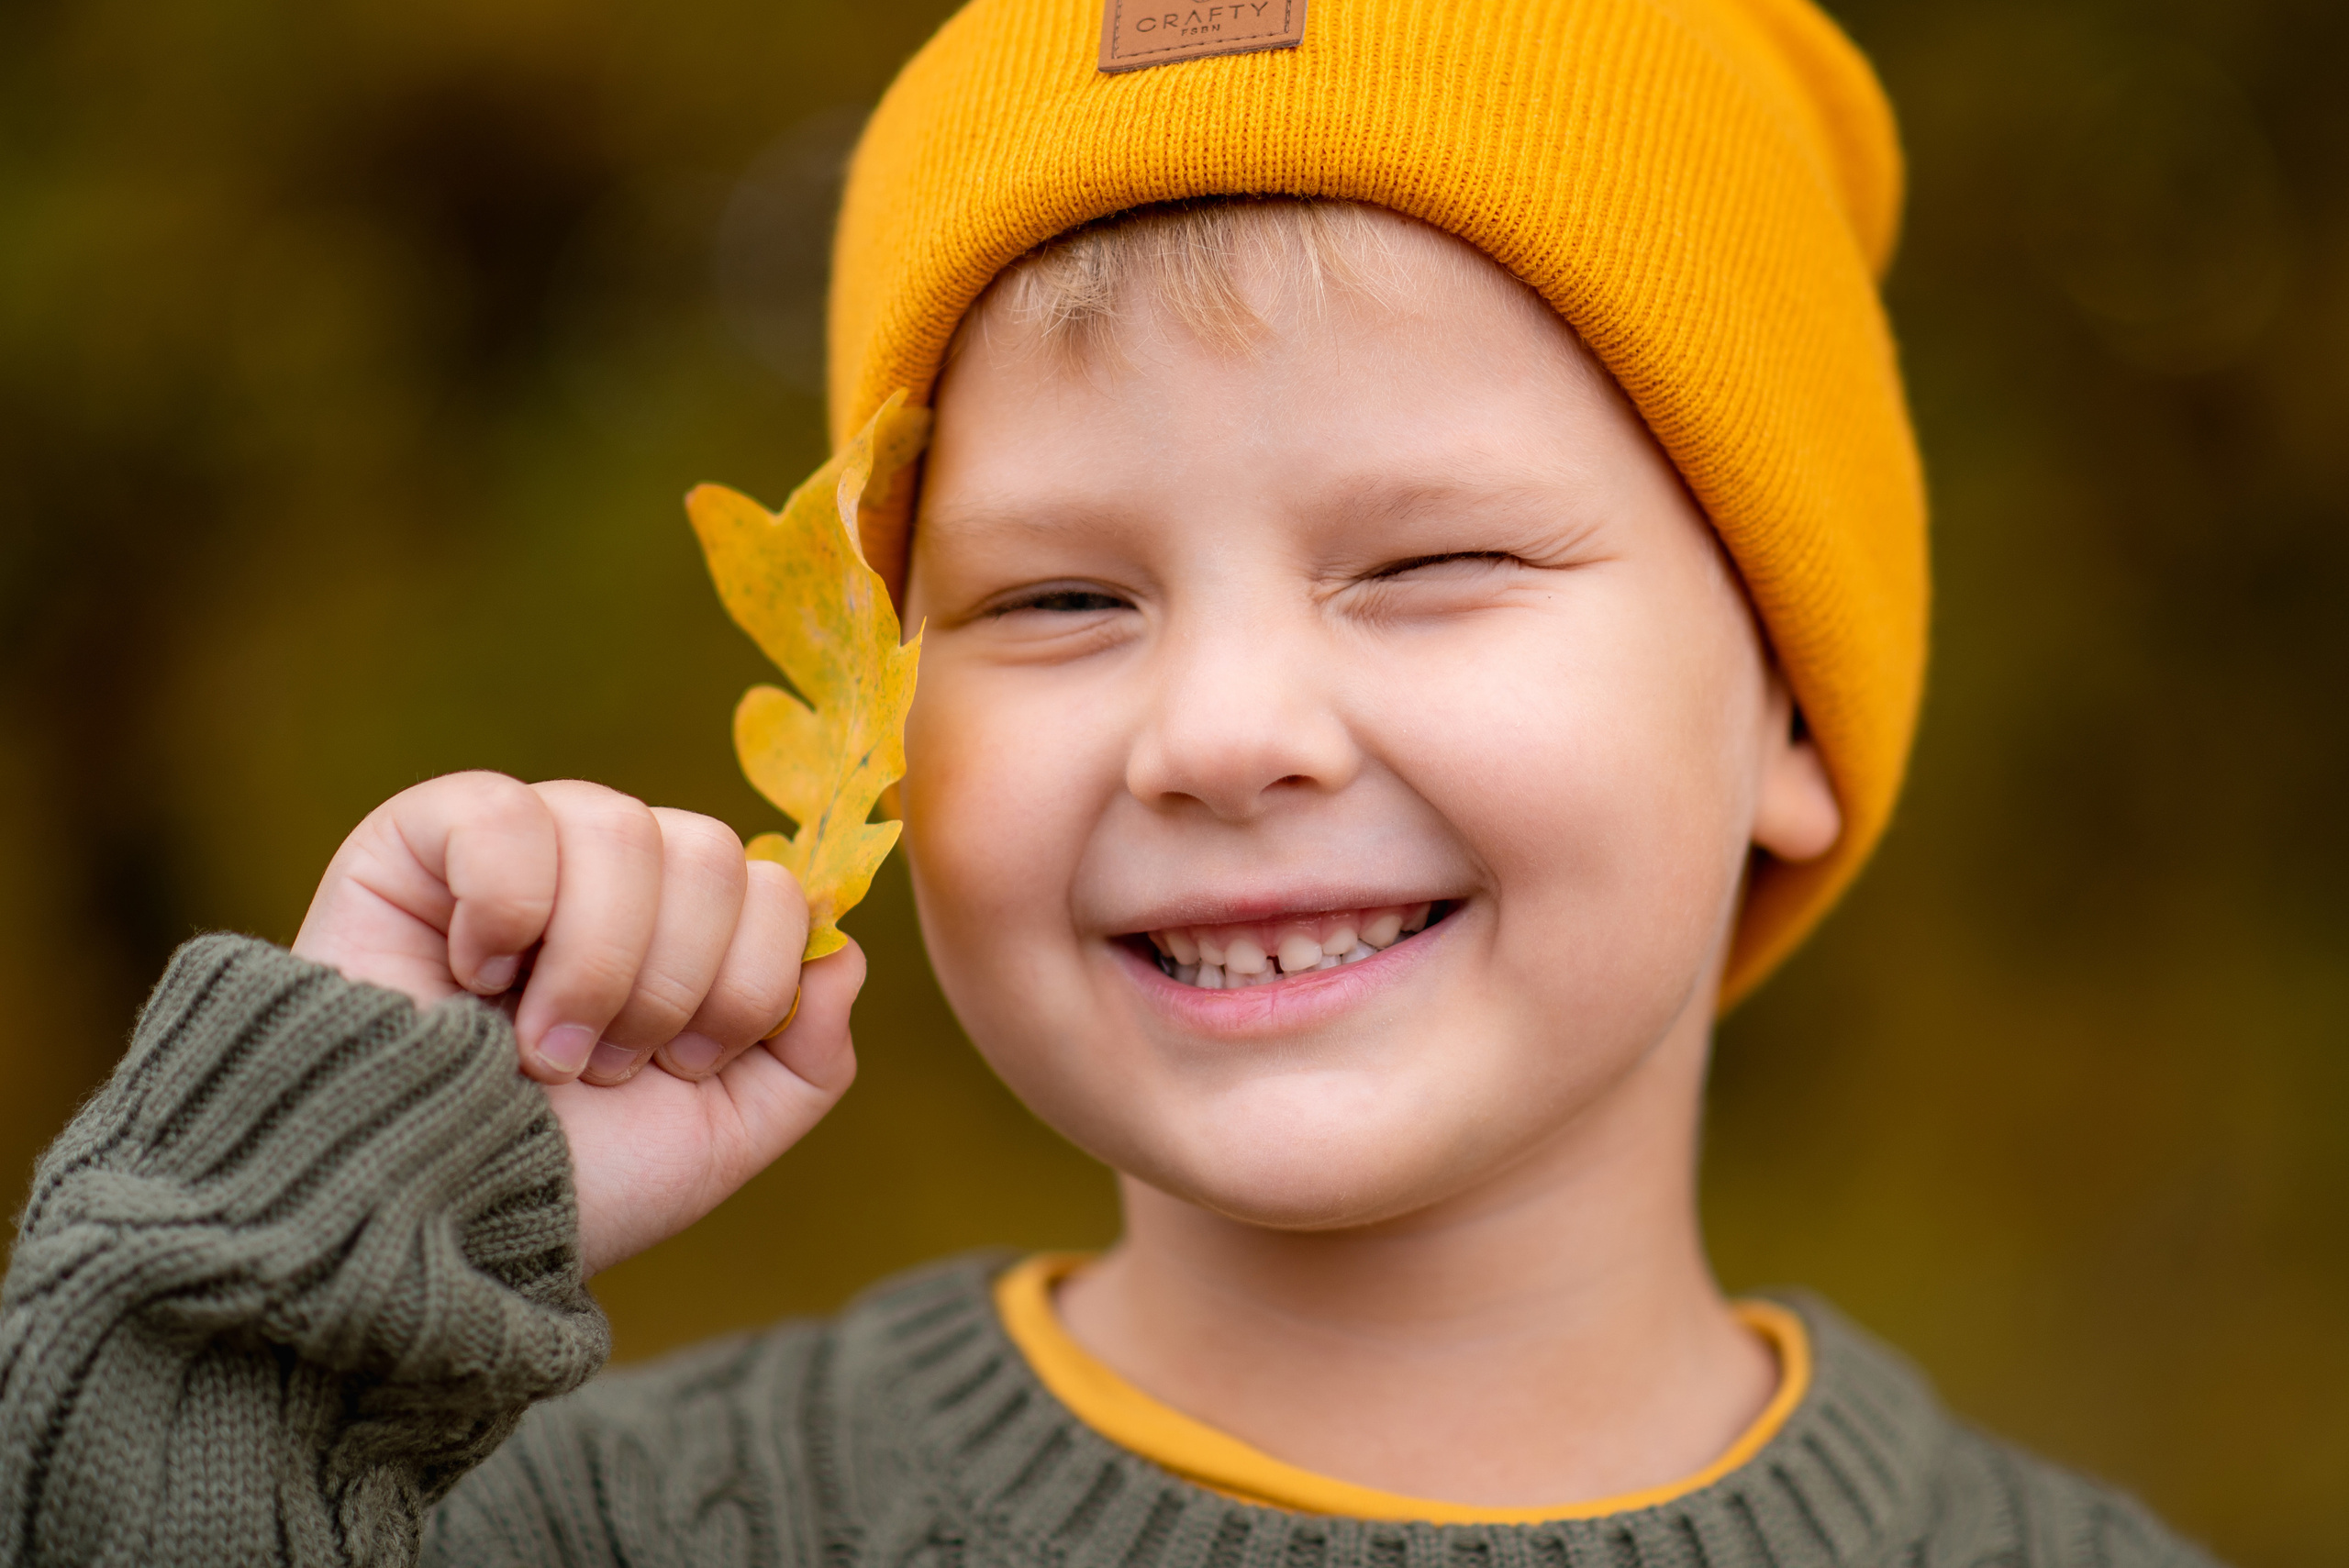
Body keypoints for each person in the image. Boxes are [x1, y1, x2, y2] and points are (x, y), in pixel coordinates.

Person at [0, 1, 2221, 1563]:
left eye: (1429, 566)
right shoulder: (616, 1533)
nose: (1216, 732)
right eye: (1058, 602)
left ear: (1793, 716)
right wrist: (302, 1252)